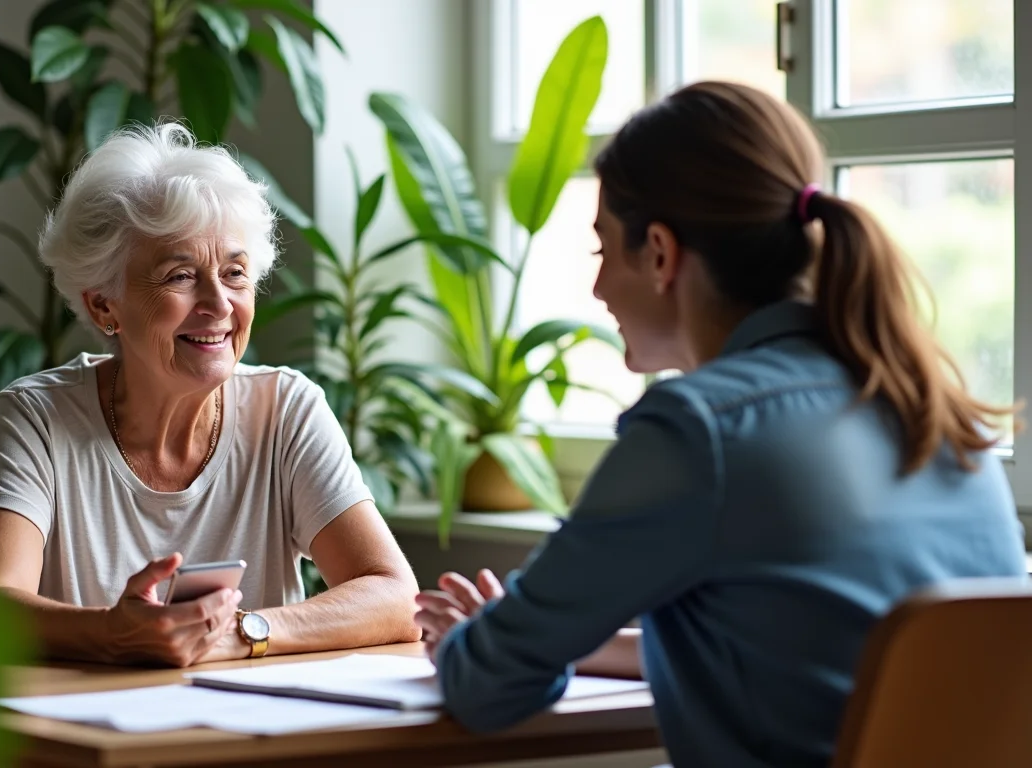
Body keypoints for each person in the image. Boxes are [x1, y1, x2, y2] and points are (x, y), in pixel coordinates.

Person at [413, 81, 1028, 767]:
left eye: (601, 251)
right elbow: (797, 654)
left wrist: (482, 645)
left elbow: (490, 691)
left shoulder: (698, 432)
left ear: (659, 252)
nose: (595, 289)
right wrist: (543, 636)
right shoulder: (929, 408)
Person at [0, 123, 419, 668]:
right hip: (93, 741)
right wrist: (114, 633)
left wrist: (245, 631)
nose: (220, 304)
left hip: (254, 737)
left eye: (234, 273)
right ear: (103, 306)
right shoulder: (38, 417)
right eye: (180, 276)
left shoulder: (287, 409)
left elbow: (395, 595)